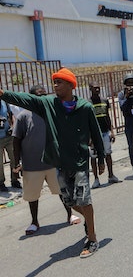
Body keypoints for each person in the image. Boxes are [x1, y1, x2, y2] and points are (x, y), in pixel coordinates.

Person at [0, 68, 103, 258]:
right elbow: (25, 99)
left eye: (59, 82)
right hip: (60, 163)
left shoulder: (85, 107)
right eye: (54, 82)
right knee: (69, 201)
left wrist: (101, 158)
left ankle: (92, 237)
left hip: (79, 162)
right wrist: (3, 93)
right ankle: (89, 219)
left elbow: (96, 134)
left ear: (71, 85)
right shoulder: (48, 104)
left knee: (84, 199)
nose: (55, 86)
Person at [12, 85, 81, 235]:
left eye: (45, 95)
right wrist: (17, 163)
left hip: (53, 163)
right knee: (32, 196)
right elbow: (16, 141)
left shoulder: (53, 113)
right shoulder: (24, 116)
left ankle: (70, 214)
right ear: (31, 98)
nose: (43, 98)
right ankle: (34, 221)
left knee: (63, 191)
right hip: (31, 166)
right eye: (39, 96)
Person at [88, 81, 120, 188]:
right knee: (93, 157)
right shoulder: (88, 103)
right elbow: (87, 121)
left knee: (108, 154)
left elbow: (108, 116)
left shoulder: (105, 100)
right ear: (90, 89)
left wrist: (112, 131)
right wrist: (89, 137)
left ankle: (111, 175)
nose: (97, 89)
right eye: (94, 88)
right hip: (94, 135)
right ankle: (96, 179)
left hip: (105, 132)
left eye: (98, 87)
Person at [0, 99, 19, 191]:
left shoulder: (5, 103)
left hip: (8, 136)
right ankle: (1, 182)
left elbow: (11, 116)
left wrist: (12, 127)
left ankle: (15, 180)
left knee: (14, 159)